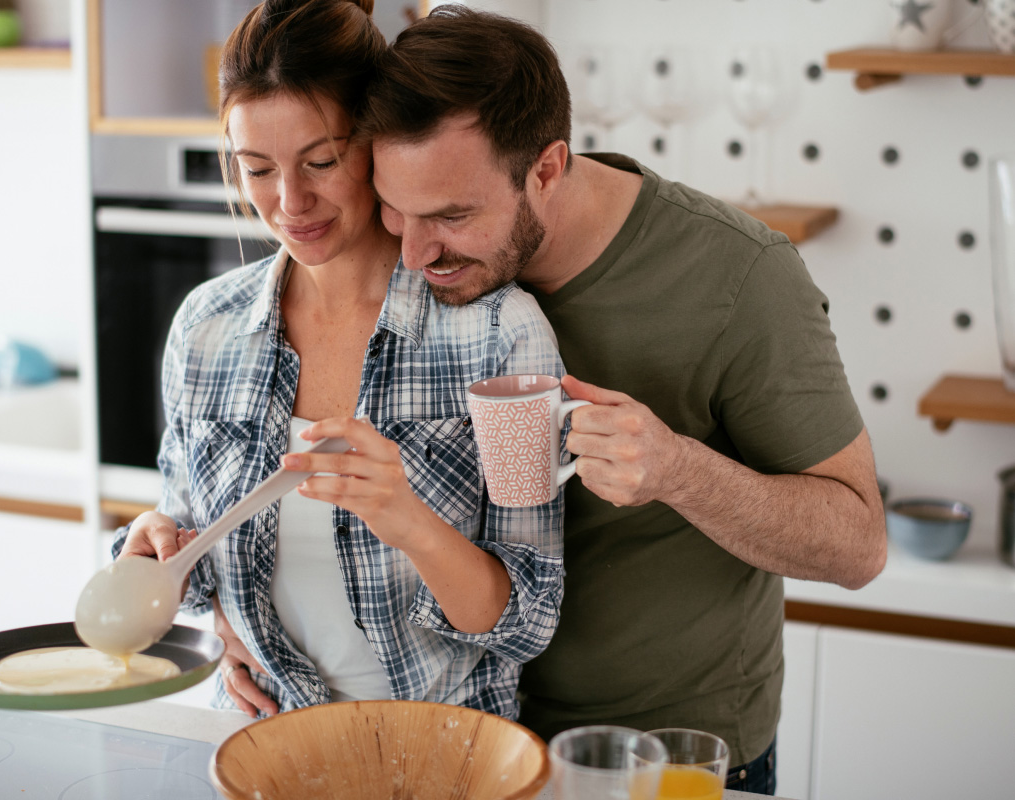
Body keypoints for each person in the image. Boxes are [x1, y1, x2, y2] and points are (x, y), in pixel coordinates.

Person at [354, 5, 889, 793]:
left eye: (452, 216)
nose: (416, 252)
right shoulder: (413, 259)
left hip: (666, 757)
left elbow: (859, 545)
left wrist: (678, 470)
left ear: (546, 168)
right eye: (397, 211)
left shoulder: (739, 277)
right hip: (462, 739)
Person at [112, 0, 566, 723]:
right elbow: (190, 537)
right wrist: (156, 554)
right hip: (261, 742)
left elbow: (528, 617)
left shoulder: (505, 336)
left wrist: (409, 519)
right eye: (257, 168)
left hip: (440, 753)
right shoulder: (203, 328)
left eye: (321, 161)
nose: (291, 202)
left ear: (376, 147)